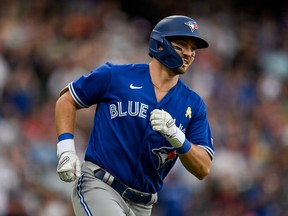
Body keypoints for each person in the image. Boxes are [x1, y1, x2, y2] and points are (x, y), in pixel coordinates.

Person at [55, 15, 215, 216]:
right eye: (181, 45)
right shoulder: (116, 76)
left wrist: (178, 137)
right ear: (159, 45)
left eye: (193, 49)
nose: (188, 53)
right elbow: (67, 99)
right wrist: (66, 149)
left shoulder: (194, 104)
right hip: (100, 186)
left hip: (143, 205)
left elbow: (203, 168)